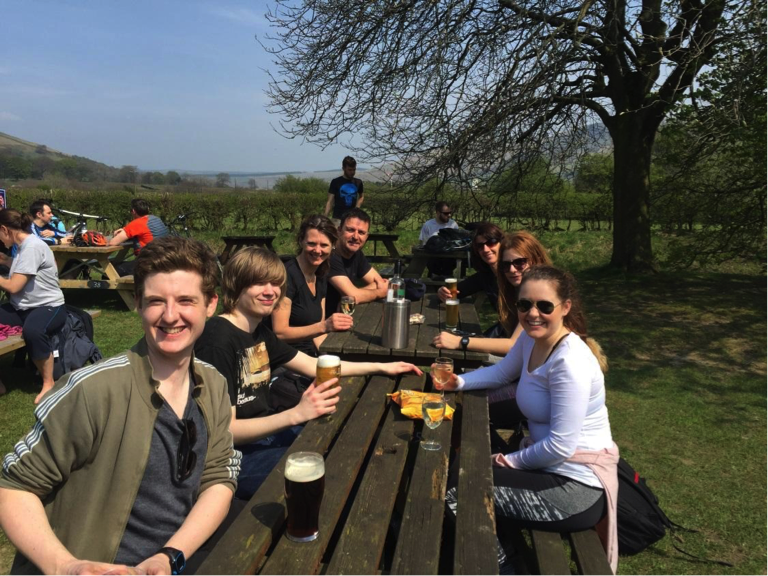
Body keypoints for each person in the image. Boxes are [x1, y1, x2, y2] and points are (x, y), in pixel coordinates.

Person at [0, 236, 240, 576]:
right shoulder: (92, 391)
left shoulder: (213, 384)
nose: (171, 316)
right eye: (157, 301)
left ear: (210, 303)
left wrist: (170, 556)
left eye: (186, 300)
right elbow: (13, 488)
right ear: (139, 303)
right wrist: (67, 566)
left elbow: (219, 477)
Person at [194, 246, 422, 499]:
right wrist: (296, 414)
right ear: (236, 285)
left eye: (276, 283)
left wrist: (381, 366)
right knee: (339, 470)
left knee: (347, 442)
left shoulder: (257, 331)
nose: (270, 291)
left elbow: (315, 365)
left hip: (265, 437)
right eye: (259, 283)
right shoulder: (218, 340)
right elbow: (226, 431)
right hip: (232, 460)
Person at [435, 266, 619, 573]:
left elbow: (560, 447)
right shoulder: (533, 339)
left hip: (573, 488)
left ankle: (505, 566)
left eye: (545, 306)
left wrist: (506, 461)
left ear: (565, 308)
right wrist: (460, 383)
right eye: (524, 305)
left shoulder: (569, 362)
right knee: (463, 463)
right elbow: (503, 372)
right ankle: (502, 549)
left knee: (460, 492)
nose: (533, 314)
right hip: (548, 468)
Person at [433, 230, 552, 357]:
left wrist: (461, 341)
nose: (512, 270)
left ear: (536, 259)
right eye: (506, 265)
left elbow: (513, 345)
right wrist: (443, 291)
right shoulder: (504, 284)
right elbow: (457, 290)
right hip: (521, 359)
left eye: (520, 262)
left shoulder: (542, 292)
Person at [0, 209, 67, 405]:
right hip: (22, 308)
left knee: (34, 331)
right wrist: (4, 260)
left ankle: (48, 383)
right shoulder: (23, 246)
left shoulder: (31, 247)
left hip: (49, 307)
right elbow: (19, 266)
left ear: (4, 229)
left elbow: (13, 286)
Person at [270, 215, 353, 356]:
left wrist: (328, 358)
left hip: (310, 355)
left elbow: (318, 334)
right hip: (285, 359)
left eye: (324, 245)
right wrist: (325, 326)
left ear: (333, 246)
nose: (318, 250)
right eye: (312, 243)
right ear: (301, 241)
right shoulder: (287, 276)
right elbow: (280, 332)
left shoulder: (321, 274)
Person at [325, 207, 389, 316]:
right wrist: (379, 293)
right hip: (324, 322)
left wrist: (357, 294)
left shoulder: (356, 254)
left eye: (361, 232)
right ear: (339, 231)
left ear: (366, 236)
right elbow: (354, 295)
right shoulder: (330, 256)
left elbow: (380, 283)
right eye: (350, 230)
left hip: (343, 315)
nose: (355, 236)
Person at [109, 198, 170, 276]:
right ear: (147, 209)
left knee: (110, 273)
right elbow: (143, 231)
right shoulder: (156, 219)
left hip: (148, 264)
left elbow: (112, 243)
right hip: (163, 260)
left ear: (133, 211)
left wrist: (124, 230)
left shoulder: (137, 223)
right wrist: (125, 229)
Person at [419, 200, 460, 277]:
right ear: (438, 213)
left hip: (449, 261)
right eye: (446, 213)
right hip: (433, 261)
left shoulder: (453, 224)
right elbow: (423, 244)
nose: (449, 215)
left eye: (450, 212)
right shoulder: (428, 225)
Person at [325, 156, 364, 224]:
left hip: (352, 219)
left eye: (354, 169)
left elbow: (361, 196)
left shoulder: (358, 182)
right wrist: (325, 216)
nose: (352, 172)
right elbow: (330, 201)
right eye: (349, 170)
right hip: (337, 219)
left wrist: (357, 208)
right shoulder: (335, 182)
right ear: (343, 168)